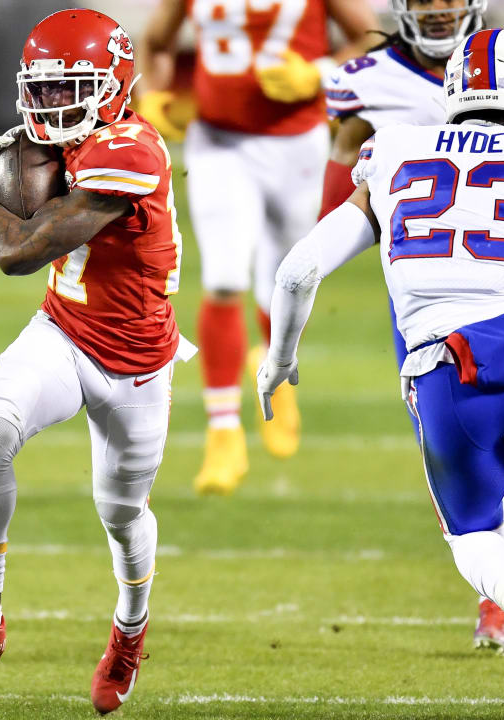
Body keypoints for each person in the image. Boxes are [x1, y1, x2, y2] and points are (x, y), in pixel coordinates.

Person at [260, 29, 504, 718]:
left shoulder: (394, 150)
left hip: (442, 374)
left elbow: (297, 269)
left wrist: (280, 359)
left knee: (471, 535)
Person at [0, 9, 192, 715]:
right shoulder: (60, 143)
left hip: (135, 362)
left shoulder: (131, 148)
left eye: (68, 87)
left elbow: (17, 252)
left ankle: (128, 635)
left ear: (115, 85)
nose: (49, 104)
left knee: (122, 510)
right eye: (39, 90)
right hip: (63, 332)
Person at [320, 0, 504, 654]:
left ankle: (499, 596)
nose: (439, 10)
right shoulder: (363, 79)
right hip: (424, 291)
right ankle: (499, 583)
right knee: (453, 449)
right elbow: (339, 186)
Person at [137, 0, 378, 495]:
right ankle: (223, 430)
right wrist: (154, 92)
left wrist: (320, 72)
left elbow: (373, 38)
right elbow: (157, 41)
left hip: (299, 142)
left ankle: (273, 362)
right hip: (219, 141)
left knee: (287, 278)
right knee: (224, 279)